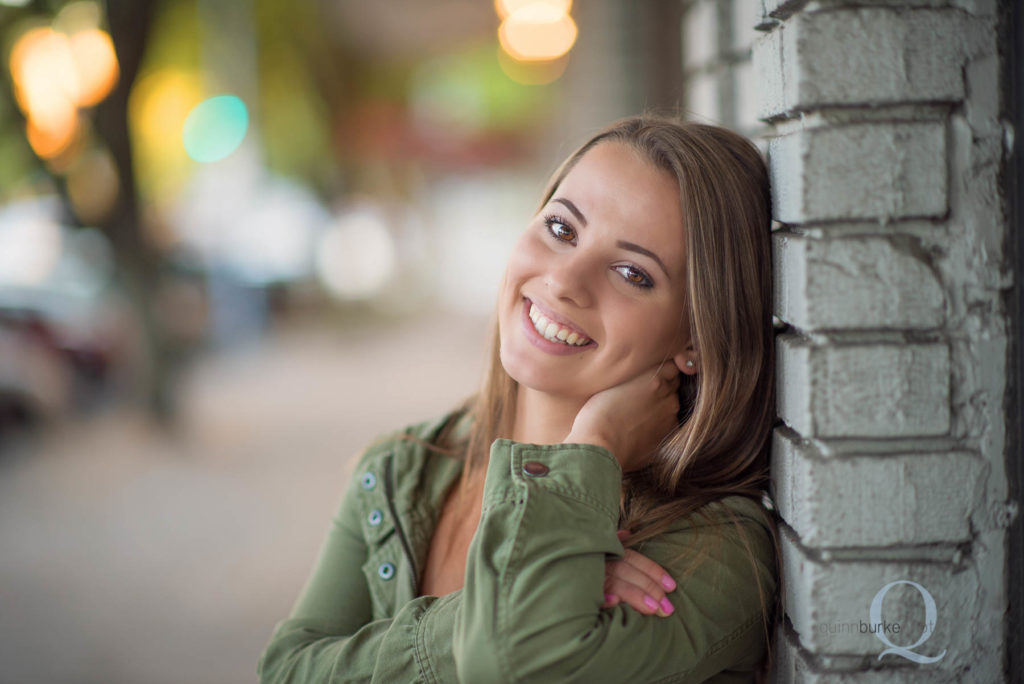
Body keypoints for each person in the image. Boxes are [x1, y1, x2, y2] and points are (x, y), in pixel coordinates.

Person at [258, 115, 779, 683]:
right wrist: (519, 589)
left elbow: (514, 665)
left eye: (633, 273)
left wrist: (594, 446)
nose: (565, 281)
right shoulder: (401, 467)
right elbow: (285, 670)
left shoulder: (718, 550)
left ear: (696, 337)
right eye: (561, 229)